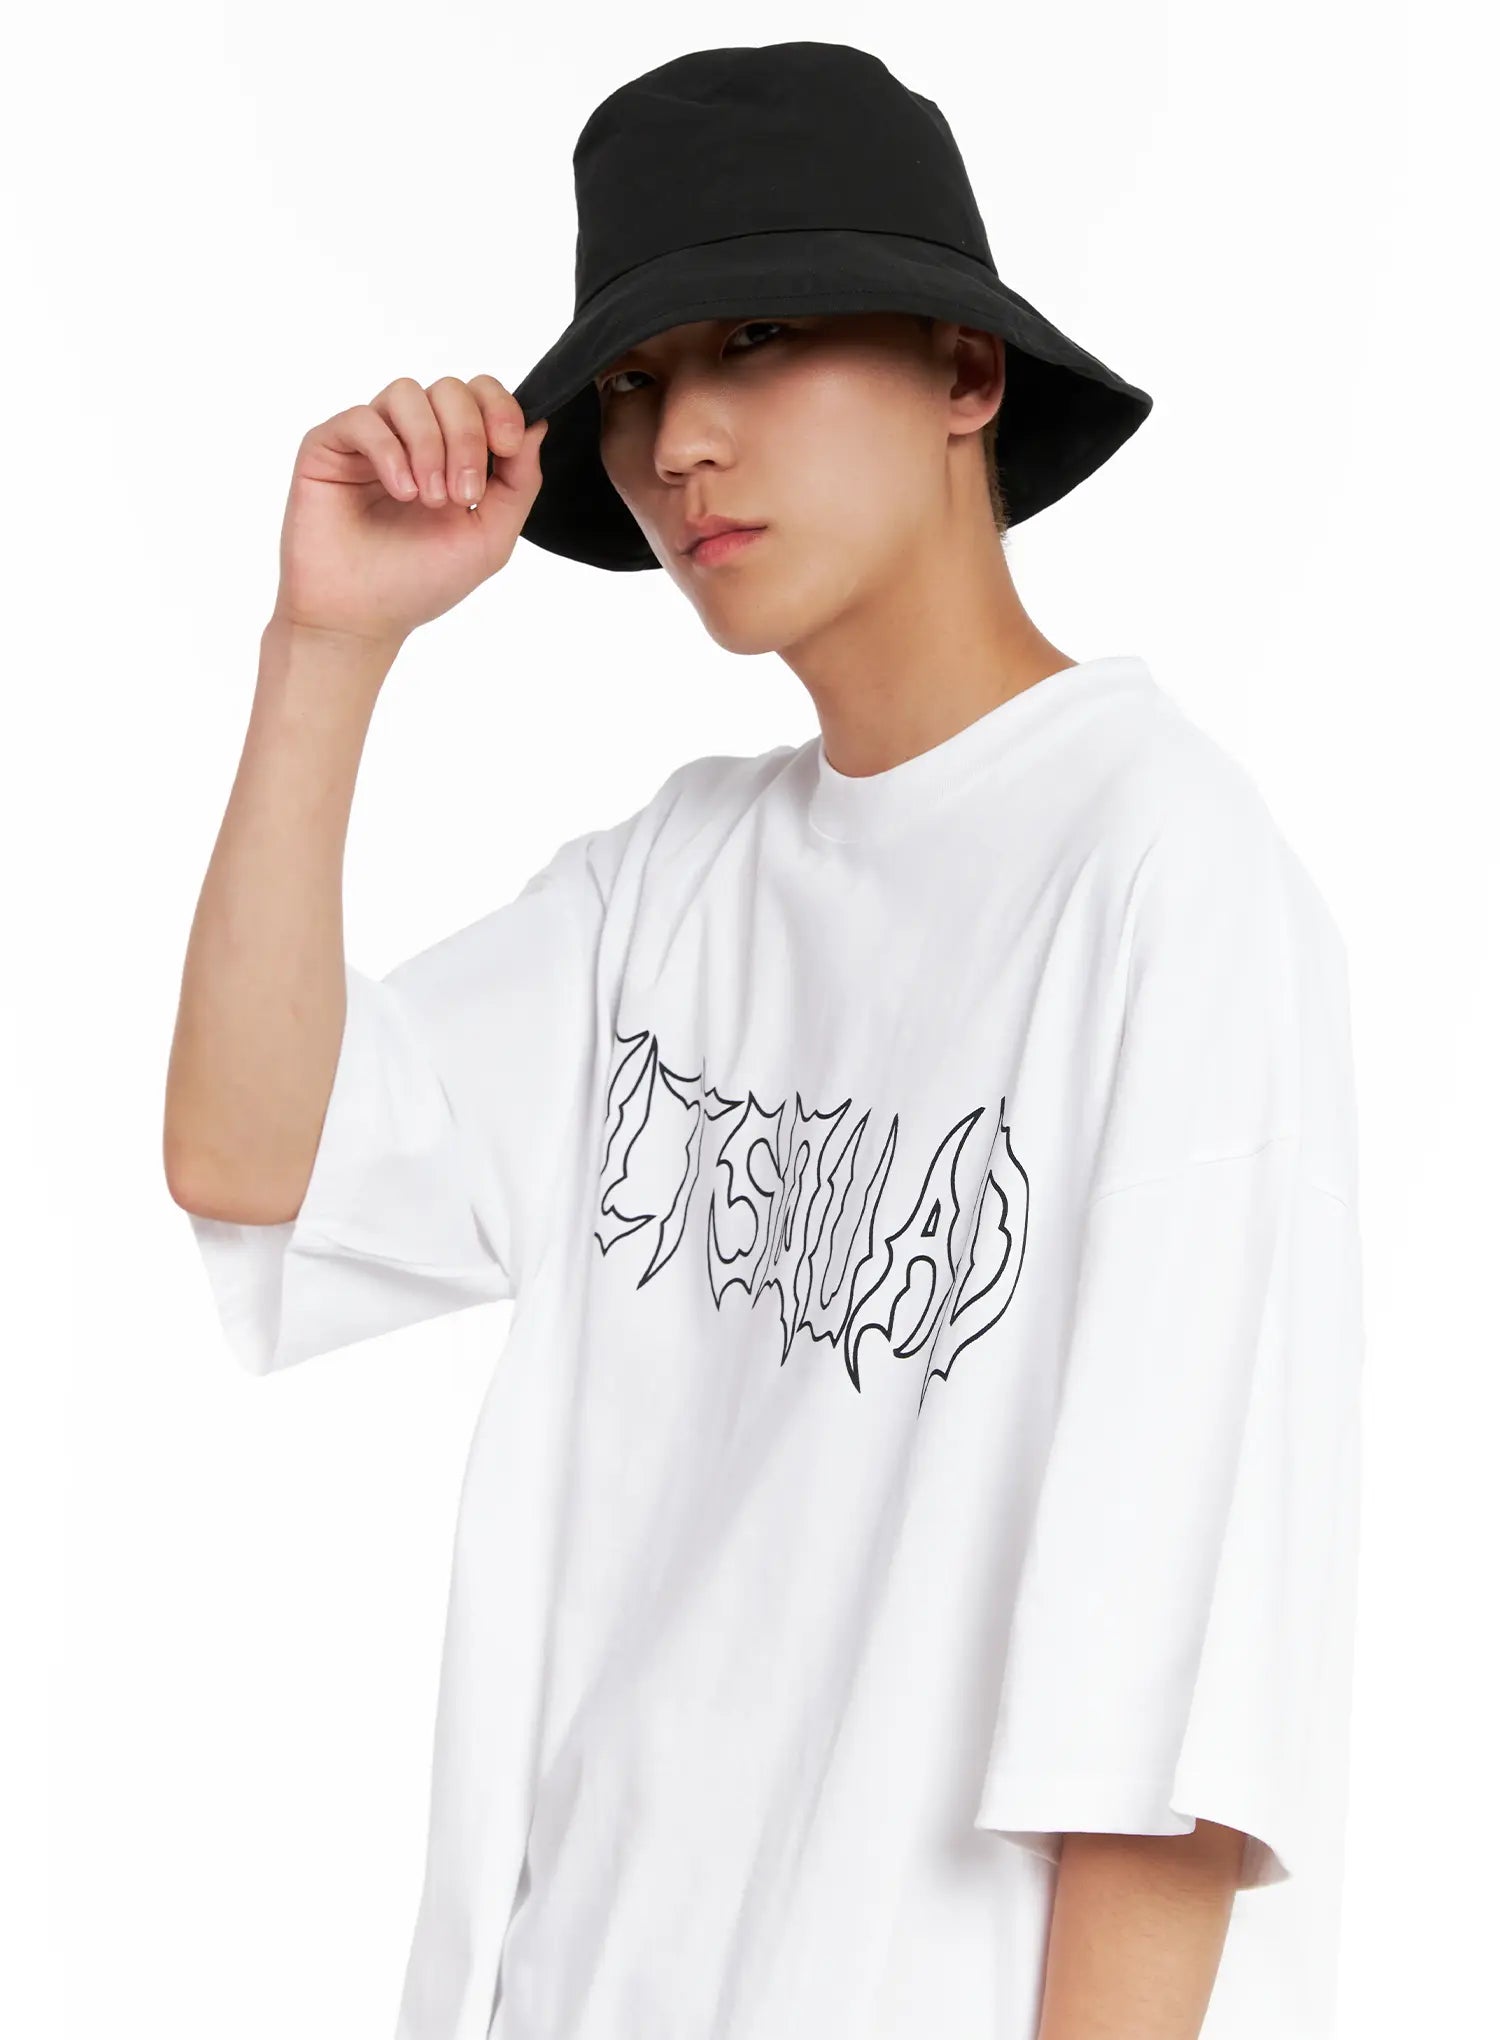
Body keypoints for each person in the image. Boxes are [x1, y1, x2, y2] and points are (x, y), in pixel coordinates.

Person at [164, 40, 1364, 2040]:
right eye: (636, 386)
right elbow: (249, 1155)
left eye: (756, 340)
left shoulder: (1163, 874)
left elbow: (1172, 1711)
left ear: (966, 372)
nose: (678, 446)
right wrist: (329, 647)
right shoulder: (674, 883)